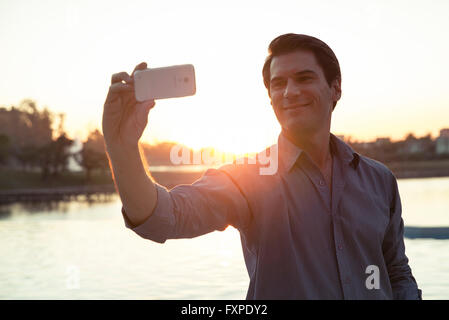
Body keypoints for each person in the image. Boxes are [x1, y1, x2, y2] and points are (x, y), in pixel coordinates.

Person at [102, 33, 422, 299]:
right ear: (269, 96)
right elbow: (162, 217)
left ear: (335, 88)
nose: (290, 91)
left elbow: (395, 269)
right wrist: (122, 146)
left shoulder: (379, 180)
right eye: (278, 83)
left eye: (304, 78)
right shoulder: (248, 178)